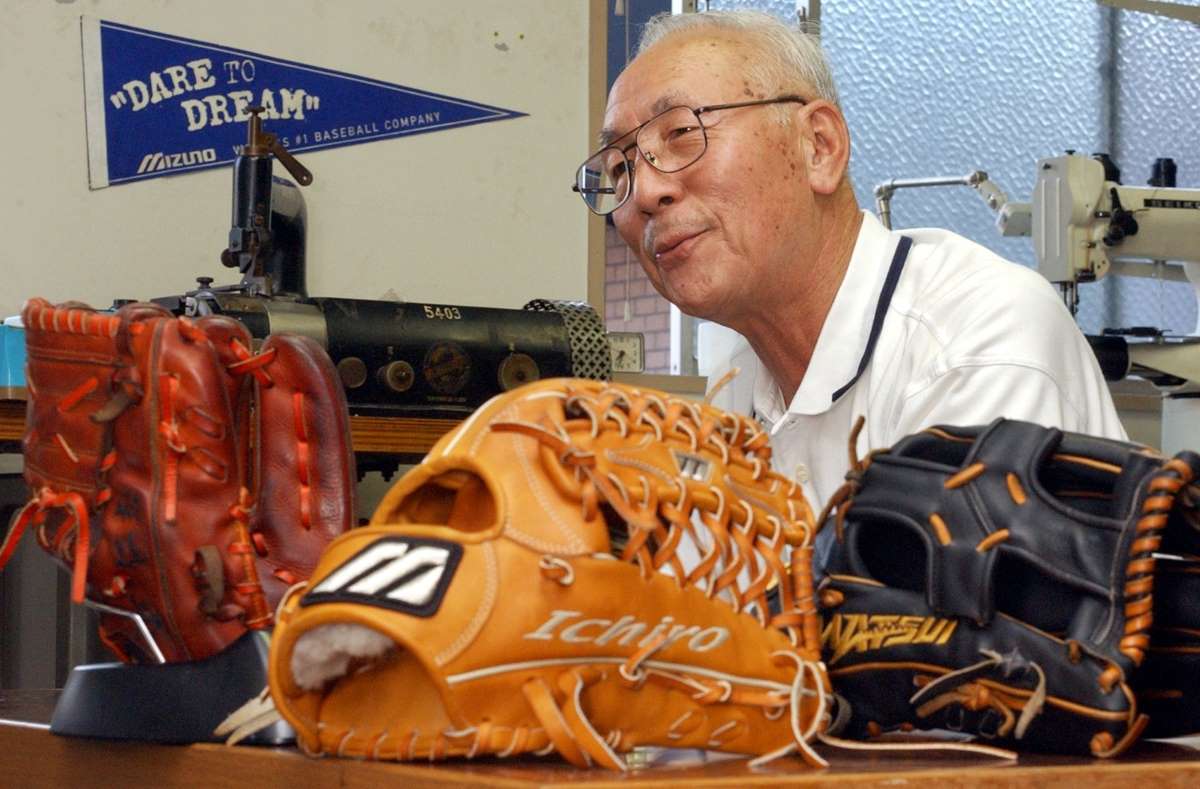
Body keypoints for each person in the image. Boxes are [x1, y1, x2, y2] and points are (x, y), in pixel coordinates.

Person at [573, 9, 1125, 523]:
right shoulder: (740, 386)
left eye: (680, 134)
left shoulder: (975, 344)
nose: (643, 192)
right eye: (618, 169)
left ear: (819, 146)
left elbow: (953, 616)